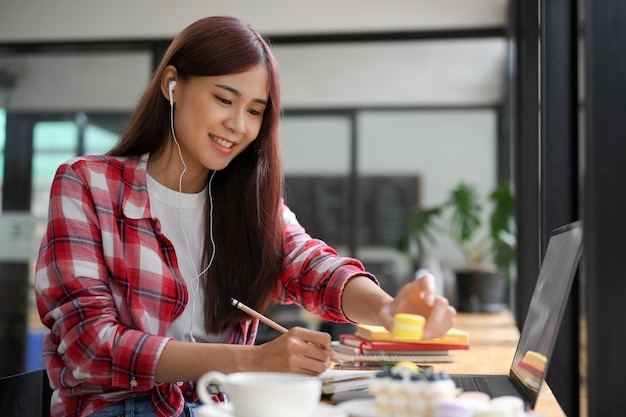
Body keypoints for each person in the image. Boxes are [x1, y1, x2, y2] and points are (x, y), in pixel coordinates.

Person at [34, 15, 456, 417]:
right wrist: (254, 360)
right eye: (223, 99)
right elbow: (88, 346)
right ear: (172, 85)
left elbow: (312, 266)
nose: (238, 125)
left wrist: (387, 310)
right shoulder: (87, 185)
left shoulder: (249, 201)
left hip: (225, 406)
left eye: (255, 111)